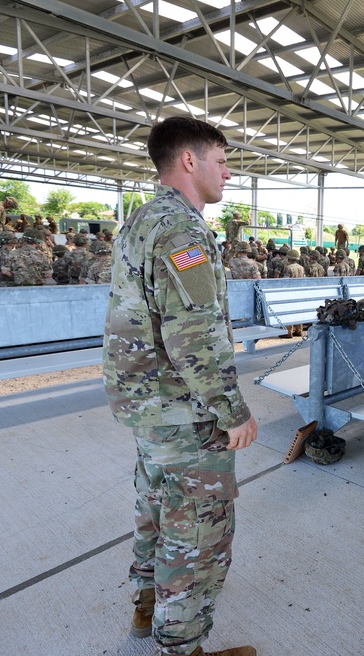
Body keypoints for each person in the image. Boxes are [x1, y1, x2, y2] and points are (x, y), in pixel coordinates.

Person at [102, 116, 257, 656]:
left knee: (154, 509)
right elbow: (193, 334)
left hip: (149, 409)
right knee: (195, 534)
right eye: (221, 160)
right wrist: (233, 411)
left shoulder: (142, 220)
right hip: (183, 413)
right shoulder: (182, 229)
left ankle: (146, 609)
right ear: (188, 161)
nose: (228, 173)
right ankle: (182, 646)